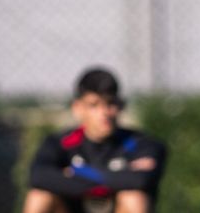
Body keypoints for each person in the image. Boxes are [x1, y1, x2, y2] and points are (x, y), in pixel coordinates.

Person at [23, 68, 166, 213]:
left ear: (121, 105)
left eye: (110, 104)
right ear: (77, 108)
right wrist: (117, 176)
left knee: (134, 197)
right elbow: (38, 176)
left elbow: (140, 180)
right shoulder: (59, 143)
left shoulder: (142, 144)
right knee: (39, 196)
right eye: (94, 105)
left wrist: (78, 172)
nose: (104, 113)